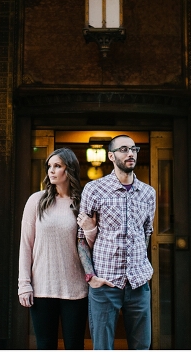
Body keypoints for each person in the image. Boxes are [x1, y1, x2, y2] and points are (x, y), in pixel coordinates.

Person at [76, 135, 156, 350]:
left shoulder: (148, 193)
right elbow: (82, 238)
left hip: (138, 285)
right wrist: (91, 277)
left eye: (134, 149)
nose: (130, 153)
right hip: (105, 283)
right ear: (111, 156)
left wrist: (140, 267)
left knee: (142, 346)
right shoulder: (94, 189)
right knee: (103, 348)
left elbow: (146, 233)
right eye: (123, 149)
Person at [18, 148, 95, 349]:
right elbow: (26, 244)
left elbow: (92, 246)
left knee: (75, 345)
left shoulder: (82, 203)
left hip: (76, 289)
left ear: (69, 169)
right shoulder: (36, 201)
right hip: (42, 287)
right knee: (45, 345)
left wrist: (90, 228)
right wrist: (24, 284)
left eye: (57, 166)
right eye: (49, 166)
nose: (51, 171)